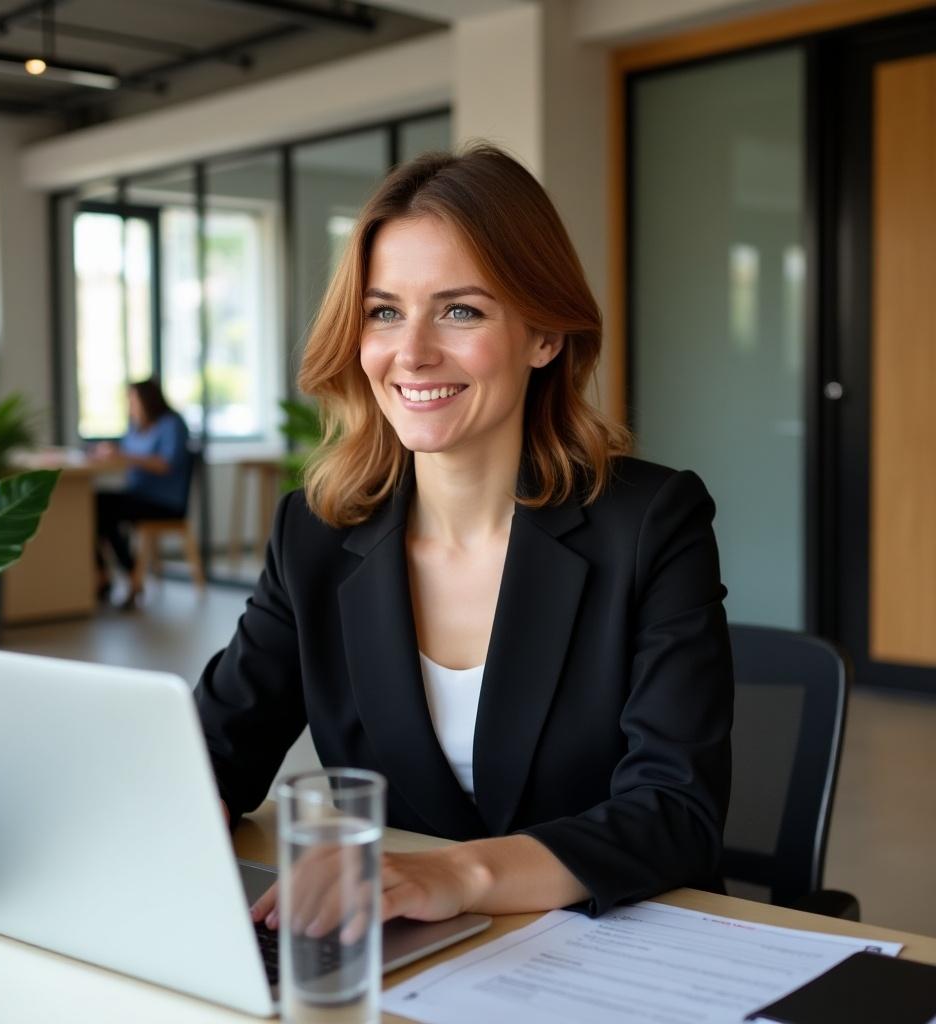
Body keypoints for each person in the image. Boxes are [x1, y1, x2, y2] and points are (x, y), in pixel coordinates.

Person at [195, 145, 733, 934]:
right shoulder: (314, 534)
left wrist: (454, 872)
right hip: (402, 957)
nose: (410, 352)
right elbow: (214, 750)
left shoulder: (651, 523)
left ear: (544, 335)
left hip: (606, 948)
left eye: (460, 310)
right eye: (384, 312)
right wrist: (174, 815)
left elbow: (674, 812)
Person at [93, 377, 191, 607]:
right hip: (137, 494)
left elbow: (166, 464)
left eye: (133, 400)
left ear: (148, 400)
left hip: (164, 502)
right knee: (93, 507)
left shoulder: (172, 424)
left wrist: (124, 456)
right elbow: (128, 453)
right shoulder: (135, 427)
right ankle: (112, 574)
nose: (130, 406)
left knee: (102, 510)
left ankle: (127, 574)